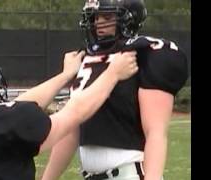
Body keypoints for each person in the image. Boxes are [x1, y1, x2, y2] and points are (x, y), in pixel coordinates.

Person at [0, 50, 138, 180]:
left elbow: (16, 107)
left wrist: (65, 75)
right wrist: (113, 74)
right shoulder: (3, 126)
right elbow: (75, 112)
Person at [42, 0, 189, 180]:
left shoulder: (144, 55)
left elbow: (156, 133)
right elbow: (71, 130)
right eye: (96, 17)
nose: (98, 23)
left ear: (129, 20)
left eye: (107, 16)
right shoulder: (85, 58)